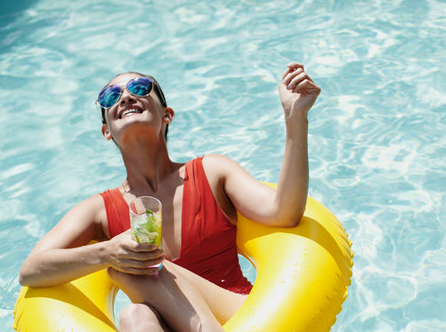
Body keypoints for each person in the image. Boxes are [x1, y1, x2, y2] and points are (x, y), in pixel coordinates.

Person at [19, 62, 321, 332]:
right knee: (134, 316)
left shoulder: (211, 172)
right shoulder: (99, 210)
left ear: (167, 115)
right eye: (110, 96)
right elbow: (31, 271)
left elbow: (284, 212)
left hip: (244, 315)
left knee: (135, 269)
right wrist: (108, 251)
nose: (124, 97)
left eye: (139, 88)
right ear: (106, 131)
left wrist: (295, 118)